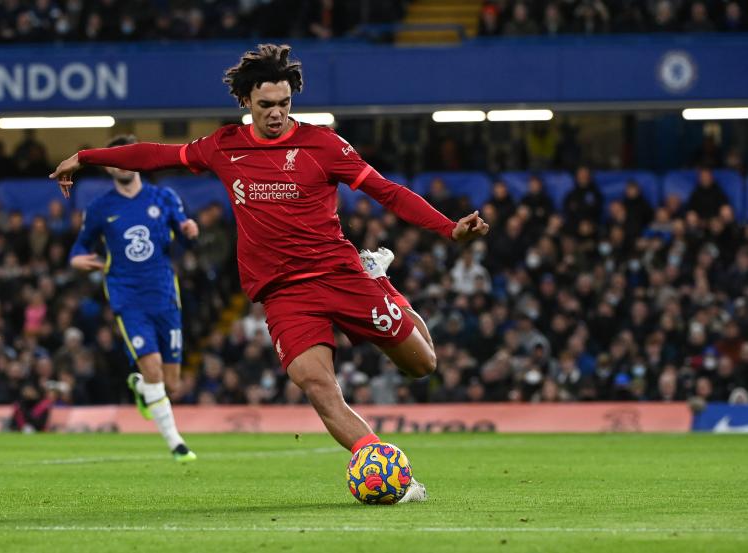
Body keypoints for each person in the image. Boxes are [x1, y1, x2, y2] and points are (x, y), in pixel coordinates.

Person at [50, 44, 489, 498]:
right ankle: (389, 476)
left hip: (339, 274)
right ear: (245, 102)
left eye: (284, 104)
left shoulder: (324, 145)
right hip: (284, 294)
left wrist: (447, 228)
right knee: (317, 386)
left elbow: (387, 192)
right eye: (266, 105)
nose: (276, 113)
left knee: (423, 366)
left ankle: (381, 280)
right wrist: (87, 157)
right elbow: (156, 155)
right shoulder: (224, 147)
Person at [67, 135, 199, 463]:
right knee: (153, 369)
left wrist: (190, 231)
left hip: (165, 295)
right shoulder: (100, 208)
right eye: (114, 160)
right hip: (128, 297)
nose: (121, 164)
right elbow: (79, 247)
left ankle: (141, 388)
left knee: (172, 383)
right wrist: (77, 260)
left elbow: (185, 229)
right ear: (108, 168)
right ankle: (177, 445)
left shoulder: (163, 197)